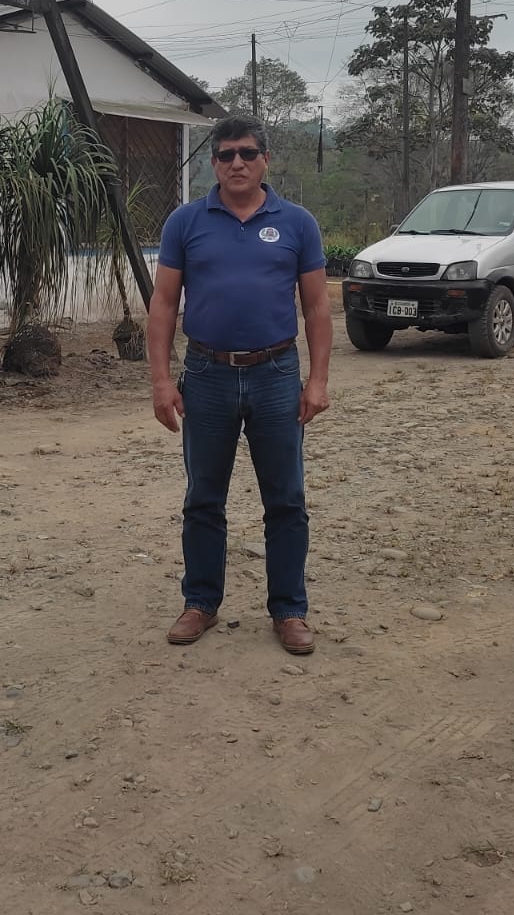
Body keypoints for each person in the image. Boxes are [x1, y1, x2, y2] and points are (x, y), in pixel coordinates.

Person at [147, 116, 332, 655]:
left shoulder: (297, 223)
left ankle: (289, 611)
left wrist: (318, 380)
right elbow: (163, 304)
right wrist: (161, 381)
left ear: (265, 160)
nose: (237, 163)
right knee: (203, 497)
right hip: (207, 375)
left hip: (277, 375)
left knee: (286, 498)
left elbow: (317, 307)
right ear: (213, 163)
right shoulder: (186, 222)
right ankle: (200, 603)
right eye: (226, 155)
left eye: (248, 153)